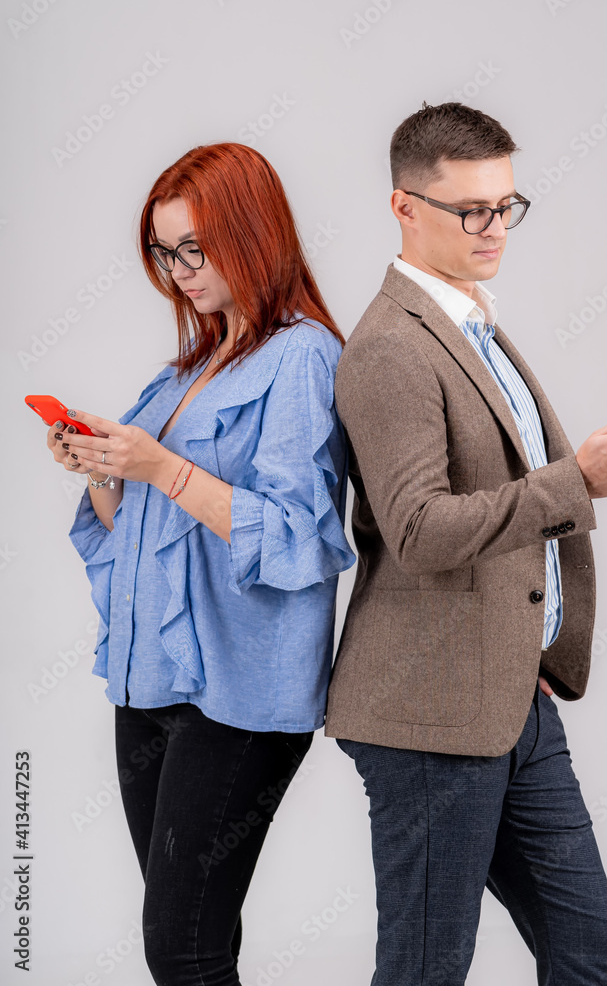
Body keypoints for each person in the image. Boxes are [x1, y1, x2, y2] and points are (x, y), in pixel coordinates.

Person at [325, 103, 607, 985]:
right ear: (404, 207)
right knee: (425, 969)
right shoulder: (390, 349)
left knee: (590, 950)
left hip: (510, 690)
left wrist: (535, 639)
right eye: (469, 209)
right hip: (429, 711)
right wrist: (576, 483)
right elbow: (415, 531)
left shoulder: (472, 324)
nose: (493, 228)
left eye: (505, 205)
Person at [42, 142, 356, 986]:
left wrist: (160, 467)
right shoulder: (190, 365)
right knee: (193, 937)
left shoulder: (303, 357)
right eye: (162, 250)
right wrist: (106, 472)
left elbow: (298, 538)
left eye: (194, 248)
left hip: (240, 697)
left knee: (180, 948)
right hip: (152, 685)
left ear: (253, 234)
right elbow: (138, 533)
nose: (177, 270)